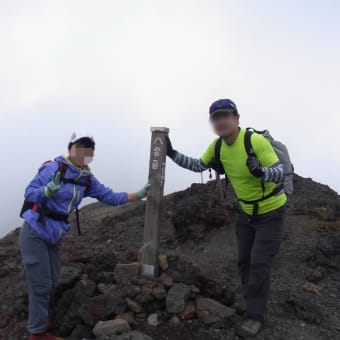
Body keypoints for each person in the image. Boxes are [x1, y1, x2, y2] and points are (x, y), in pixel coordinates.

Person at [166, 99, 287, 338]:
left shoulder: (255, 141)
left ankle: (254, 316)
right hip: (245, 213)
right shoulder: (218, 146)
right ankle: (252, 301)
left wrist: (261, 171)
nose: (220, 121)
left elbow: (281, 171)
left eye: (225, 116)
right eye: (215, 118)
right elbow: (198, 165)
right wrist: (171, 153)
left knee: (259, 262)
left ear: (236, 118)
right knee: (244, 261)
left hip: (271, 212)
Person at [19, 131, 151, 340]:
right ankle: (37, 333)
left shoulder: (86, 179)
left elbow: (110, 196)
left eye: (88, 152)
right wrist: (46, 192)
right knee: (41, 283)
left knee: (52, 281)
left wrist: (139, 194)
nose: (83, 154)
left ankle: (43, 318)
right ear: (70, 149)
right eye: (79, 148)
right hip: (35, 230)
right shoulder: (54, 168)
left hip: (55, 234)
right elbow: (29, 192)